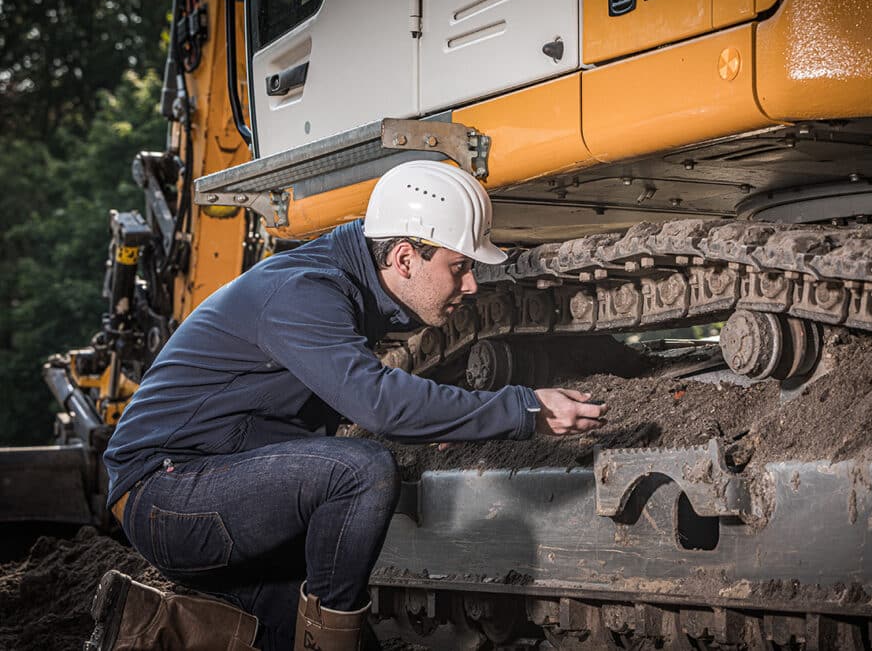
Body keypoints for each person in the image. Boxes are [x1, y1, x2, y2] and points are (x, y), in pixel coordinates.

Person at [87, 160, 609, 651]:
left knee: (326, 636)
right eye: (460, 267)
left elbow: (363, 405)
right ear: (405, 258)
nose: (471, 285)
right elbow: (379, 404)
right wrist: (525, 410)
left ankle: (151, 628)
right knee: (359, 472)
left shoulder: (343, 290)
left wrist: (434, 422)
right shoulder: (304, 291)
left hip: (210, 487)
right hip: (166, 494)